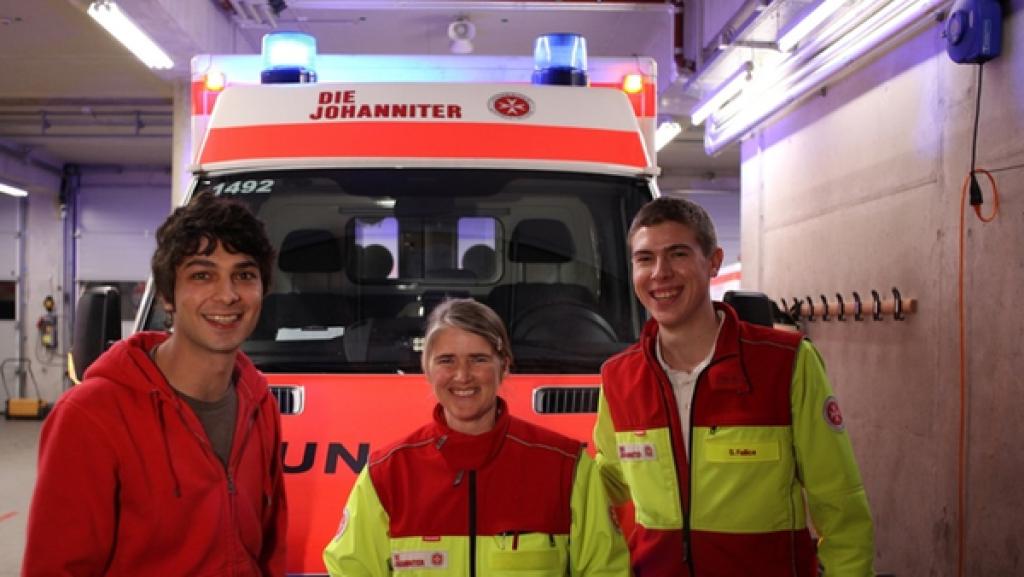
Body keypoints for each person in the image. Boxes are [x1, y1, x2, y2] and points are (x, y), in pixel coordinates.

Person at [594, 197, 875, 577]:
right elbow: (605, 485)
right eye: (645, 259)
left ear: (713, 261)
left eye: (677, 254)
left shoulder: (786, 362)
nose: (660, 273)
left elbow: (840, 504)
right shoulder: (619, 378)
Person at [22, 192, 287, 576]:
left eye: (244, 275)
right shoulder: (90, 416)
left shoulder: (258, 403)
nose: (228, 295)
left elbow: (270, 552)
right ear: (167, 296)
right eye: (202, 275)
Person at [323, 298, 628, 577]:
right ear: (426, 370)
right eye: (446, 360)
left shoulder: (566, 467)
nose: (462, 375)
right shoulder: (386, 474)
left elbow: (606, 571)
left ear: (504, 366)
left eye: (479, 359)